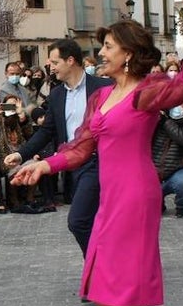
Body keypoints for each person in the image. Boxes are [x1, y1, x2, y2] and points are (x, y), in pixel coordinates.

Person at [11, 24, 183, 306]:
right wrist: (43, 166)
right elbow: (81, 146)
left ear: (129, 54)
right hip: (111, 193)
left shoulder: (146, 90)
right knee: (99, 285)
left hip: (136, 194)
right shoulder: (101, 94)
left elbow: (182, 88)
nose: (101, 53)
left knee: (125, 288)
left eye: (108, 47)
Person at [6, 38, 113, 253]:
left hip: (102, 162)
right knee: (88, 223)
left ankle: (99, 274)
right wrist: (21, 154)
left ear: (70, 60)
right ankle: (99, 273)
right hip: (74, 165)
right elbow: (47, 131)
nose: (51, 67)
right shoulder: (57, 95)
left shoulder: (104, 87)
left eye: (55, 62)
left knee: (79, 221)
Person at [152, 103, 183, 218]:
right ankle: (157, 202)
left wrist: (166, 122)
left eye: (181, 105)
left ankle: (181, 205)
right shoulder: (158, 122)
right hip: (153, 171)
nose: (176, 108)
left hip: (176, 171)